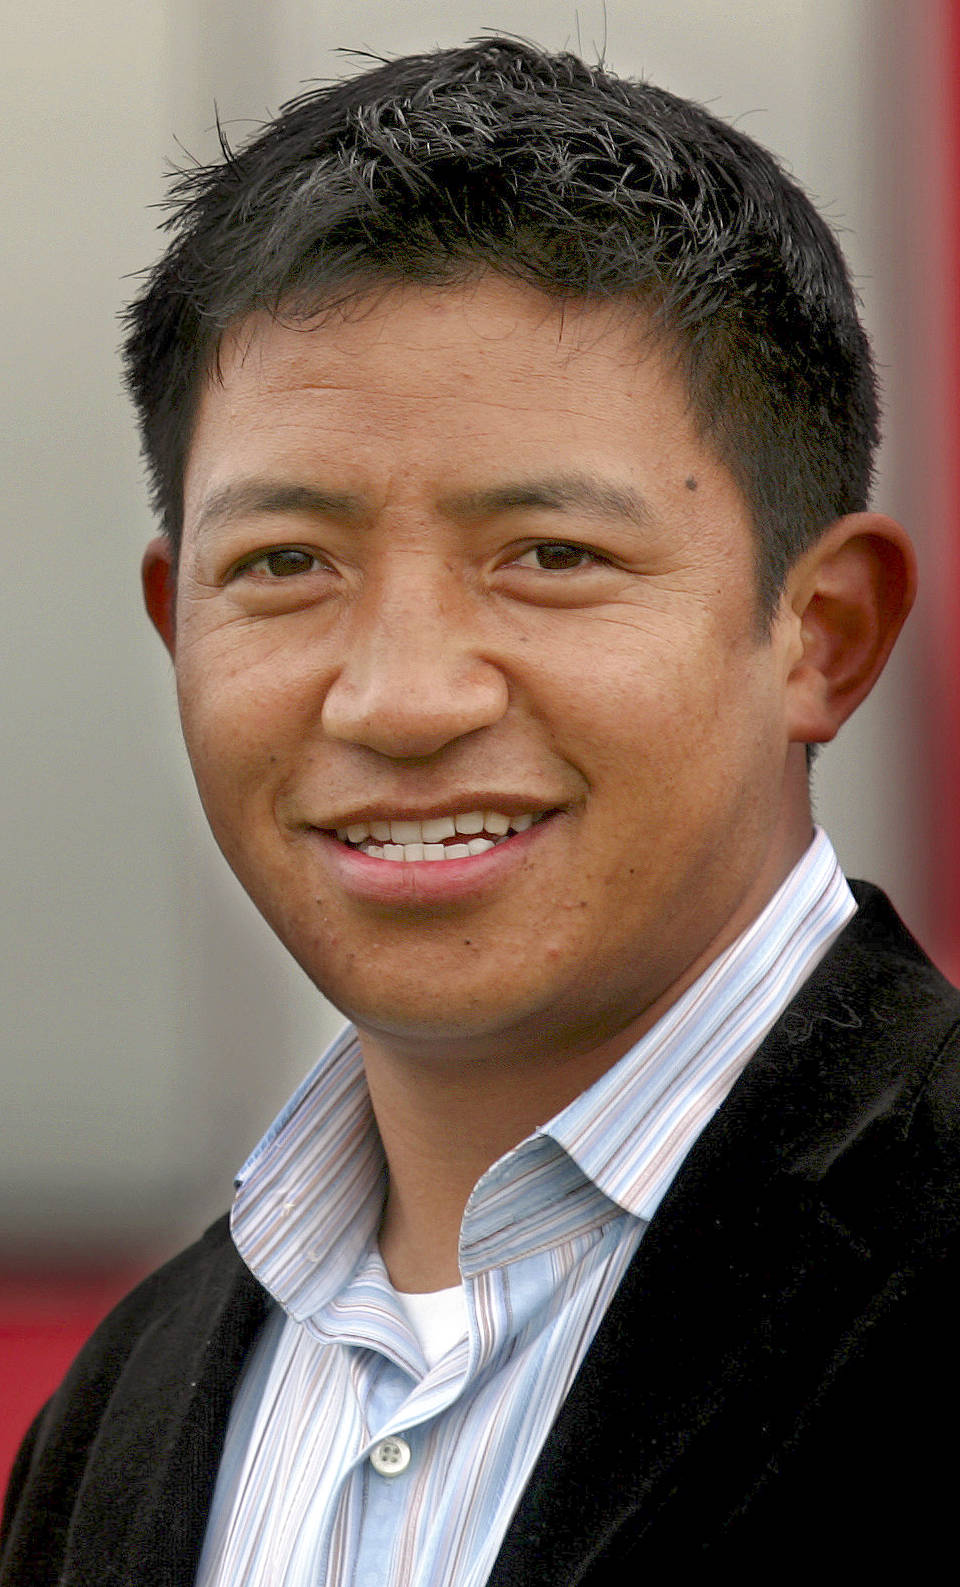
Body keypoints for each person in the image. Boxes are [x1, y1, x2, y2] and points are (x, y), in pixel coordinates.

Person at [2, 35, 958, 1584]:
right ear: (179, 629)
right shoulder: (122, 1418)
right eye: (286, 567)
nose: (396, 697)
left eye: (550, 554)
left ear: (823, 632)